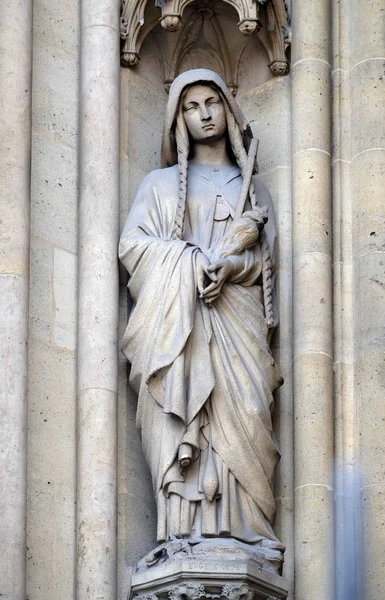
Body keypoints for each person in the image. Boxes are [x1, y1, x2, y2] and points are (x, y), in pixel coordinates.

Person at [119, 69, 284, 568]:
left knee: (246, 414)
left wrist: (231, 265)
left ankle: (247, 531)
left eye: (213, 102)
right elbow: (134, 247)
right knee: (183, 414)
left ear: (228, 111)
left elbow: (265, 266)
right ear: (178, 119)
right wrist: (192, 264)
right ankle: (181, 532)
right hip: (179, 328)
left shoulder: (252, 192)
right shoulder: (159, 184)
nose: (205, 114)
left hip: (238, 323)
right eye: (191, 106)